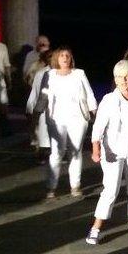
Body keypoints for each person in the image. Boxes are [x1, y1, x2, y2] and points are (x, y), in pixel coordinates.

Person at [87, 60, 128, 245]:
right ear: (115, 79)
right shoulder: (109, 100)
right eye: (119, 77)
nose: (124, 80)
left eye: (127, 76)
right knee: (111, 190)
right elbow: (98, 128)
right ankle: (96, 228)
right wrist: (96, 149)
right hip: (113, 152)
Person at [42, 46, 97, 198]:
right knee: (57, 152)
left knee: (75, 151)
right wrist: (35, 114)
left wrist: (94, 111)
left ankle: (75, 185)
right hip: (57, 119)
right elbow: (43, 96)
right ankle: (51, 187)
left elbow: (89, 93)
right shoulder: (50, 75)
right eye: (61, 56)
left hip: (77, 118)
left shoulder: (79, 74)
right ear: (56, 59)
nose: (65, 58)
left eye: (67, 55)